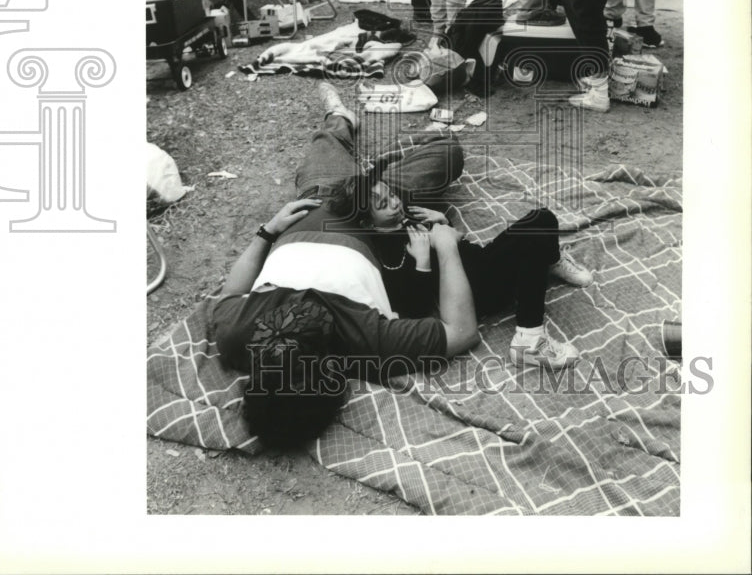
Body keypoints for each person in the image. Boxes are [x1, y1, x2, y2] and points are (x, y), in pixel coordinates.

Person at [210, 83, 587, 447]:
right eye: (302, 353)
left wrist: (267, 231)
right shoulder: (367, 343)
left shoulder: (238, 333)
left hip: (318, 199)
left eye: (280, 352)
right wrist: (446, 246)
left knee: (329, 141)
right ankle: (375, 165)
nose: (291, 335)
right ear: (331, 369)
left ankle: (340, 118)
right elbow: (461, 332)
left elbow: (229, 294)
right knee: (447, 152)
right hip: (377, 216)